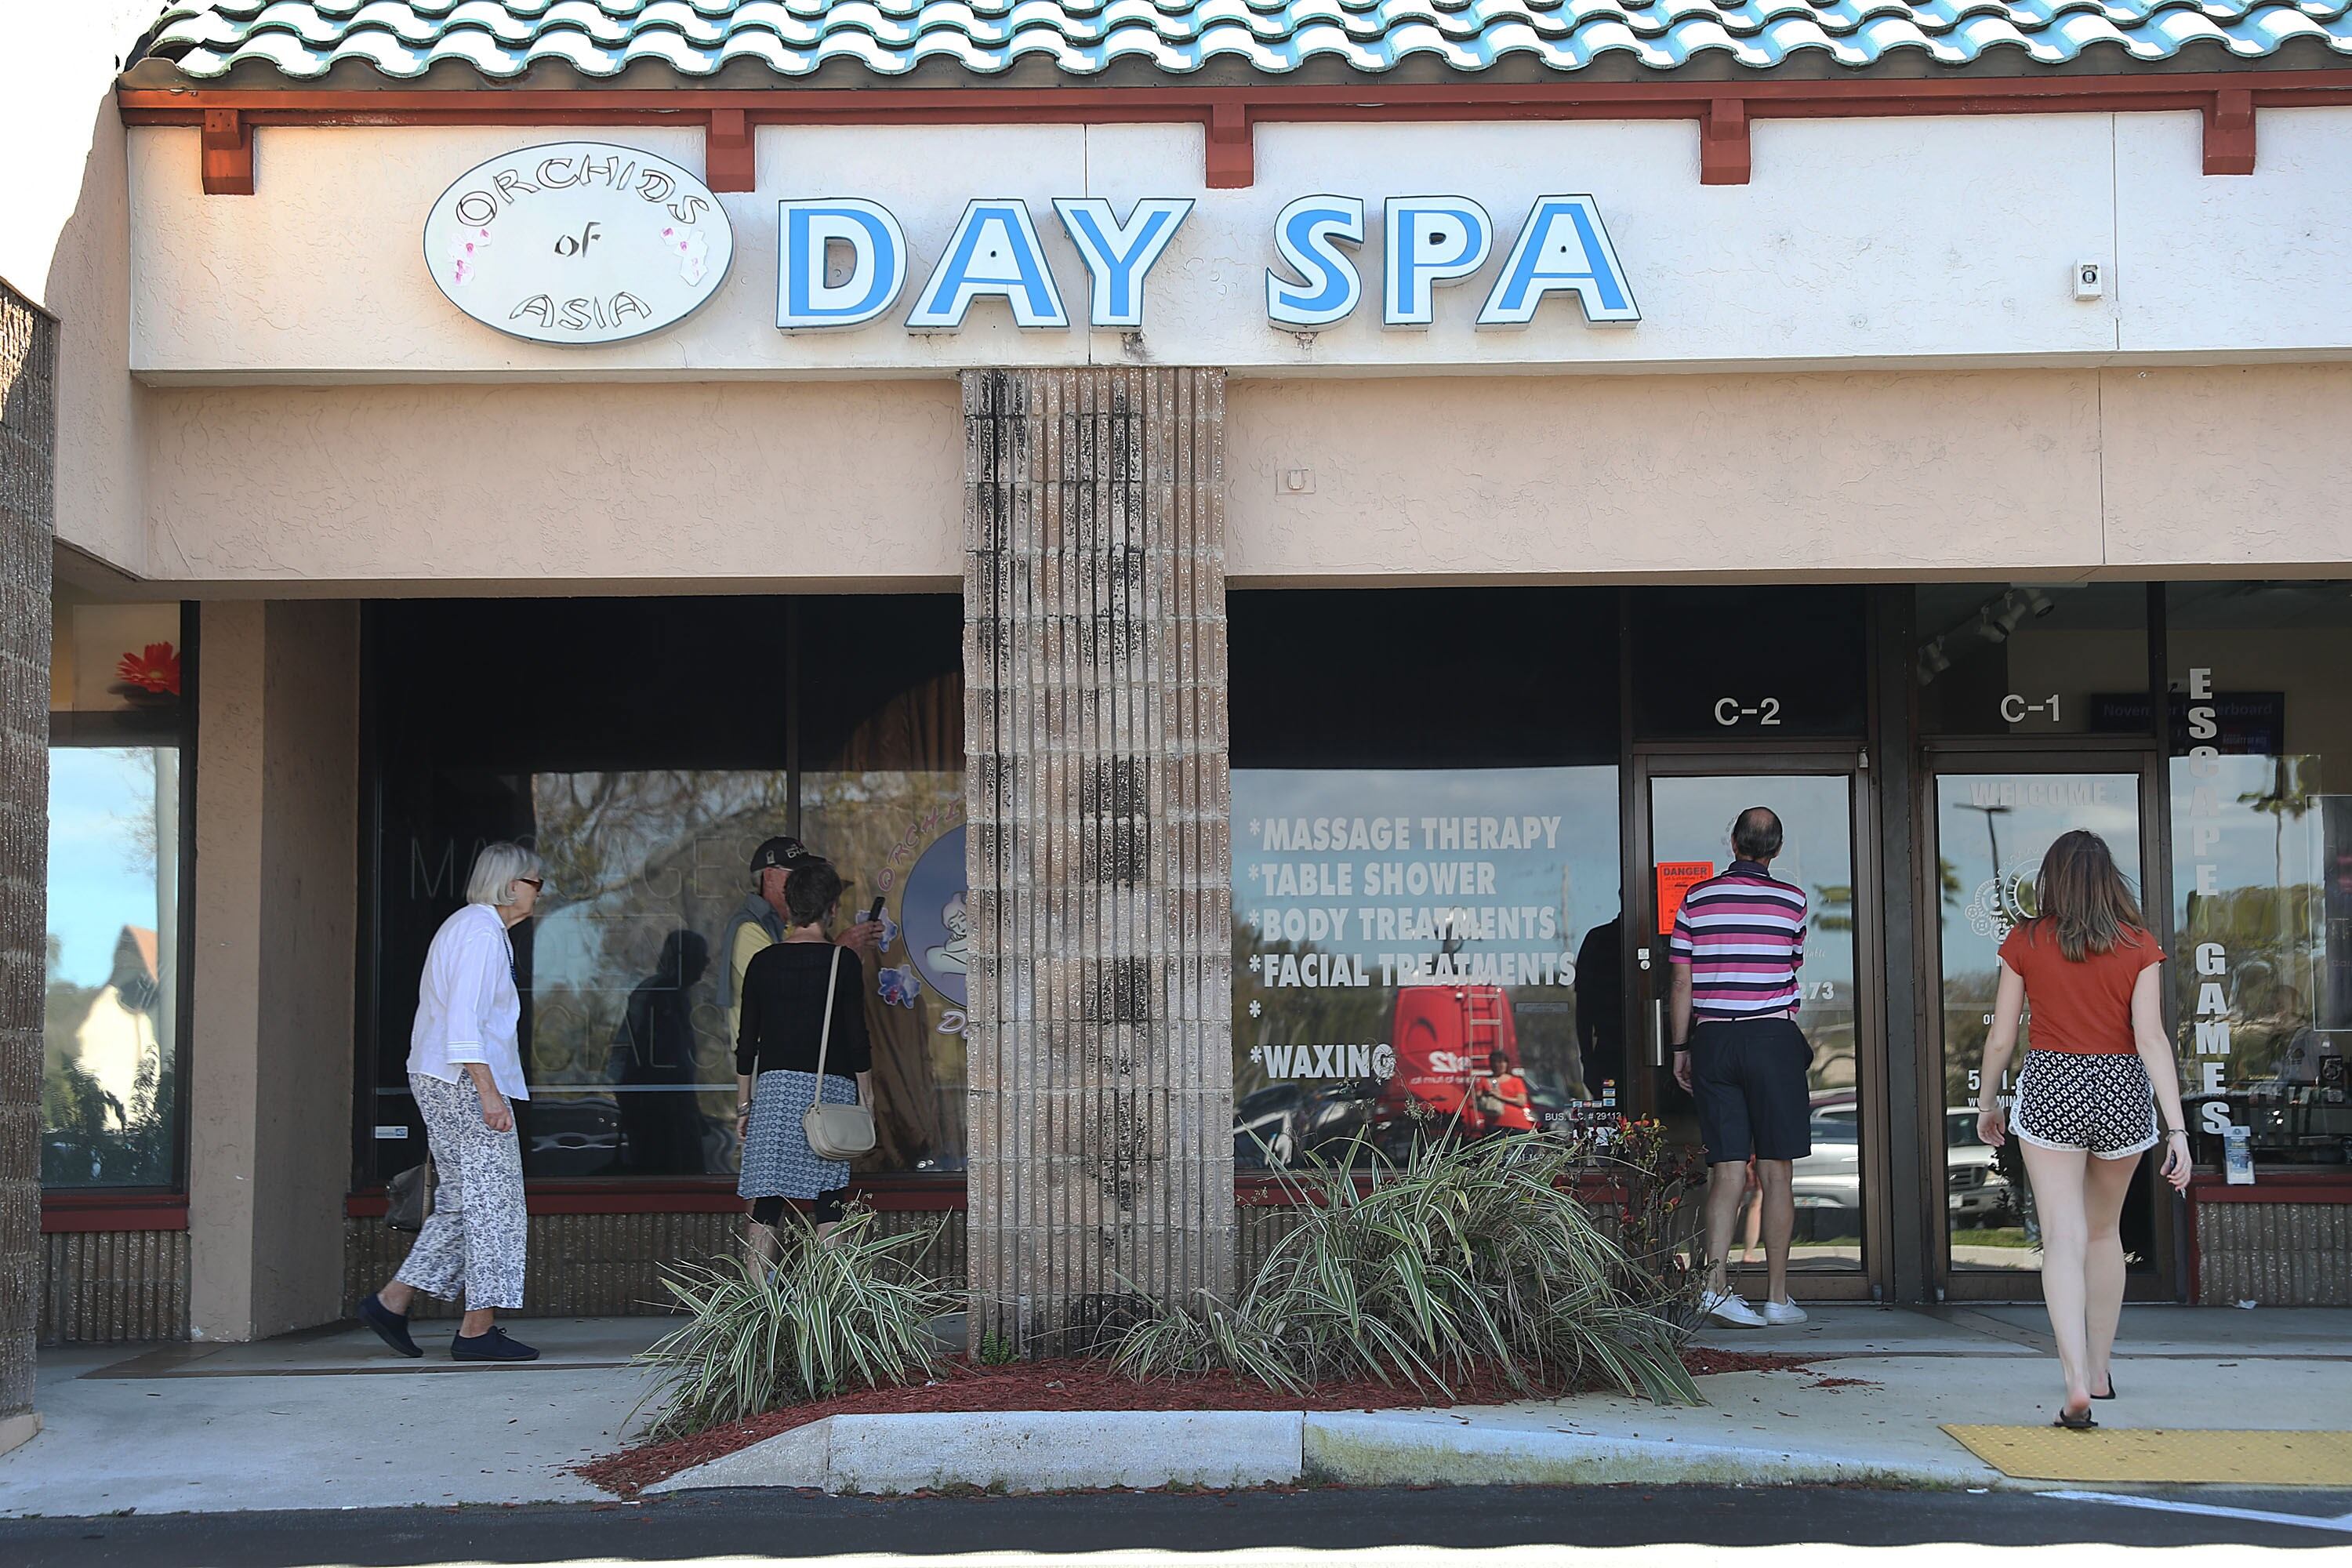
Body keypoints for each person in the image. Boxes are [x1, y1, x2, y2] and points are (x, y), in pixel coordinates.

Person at [1975, 829, 2192, 1430]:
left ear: (2053, 879)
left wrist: (1987, 1101)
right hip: (2121, 1090)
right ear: (2108, 880)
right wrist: (2177, 1129)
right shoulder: (2138, 943)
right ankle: (2099, 1372)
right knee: (2103, 1234)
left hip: (2053, 1086)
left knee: (2063, 1238)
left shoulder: (2026, 939)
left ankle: (2073, 1381)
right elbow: (2152, 1039)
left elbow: (2002, 1036)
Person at [358, 843, 546, 1362]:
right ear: (511, 885)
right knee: (495, 1204)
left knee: (465, 1201)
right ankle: (476, 1330)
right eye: (536, 883)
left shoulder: (476, 929)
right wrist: (489, 1093)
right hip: (463, 1080)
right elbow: (464, 1024)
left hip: (443, 1076)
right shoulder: (481, 933)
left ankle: (391, 1303)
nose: (539, 893)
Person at [1669, 807, 1812, 1330]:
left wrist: (1681, 1048)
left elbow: (1681, 982)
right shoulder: (1793, 901)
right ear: (1776, 848)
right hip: (1772, 1037)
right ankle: (1777, 1298)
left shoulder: (1697, 899)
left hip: (1715, 1038)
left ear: (1733, 842)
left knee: (1727, 1169)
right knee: (1777, 1171)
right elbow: (1791, 967)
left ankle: (1713, 1288)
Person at [735, 858, 873, 1257]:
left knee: (767, 1198)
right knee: (830, 1196)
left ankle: (758, 1292)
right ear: (832, 908)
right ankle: (833, 1290)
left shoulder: (763, 962)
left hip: (775, 1092)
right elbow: (857, 1040)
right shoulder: (842, 962)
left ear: (791, 907)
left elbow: (747, 1042)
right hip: (830, 1090)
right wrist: (867, 1097)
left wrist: (744, 1105)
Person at [719, 835, 883, 1051]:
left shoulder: (792, 924)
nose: (803, 880)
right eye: (796, 872)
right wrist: (840, 952)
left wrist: (854, 952)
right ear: (769, 876)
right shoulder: (748, 929)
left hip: (795, 1054)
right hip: (768, 1058)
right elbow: (789, 989)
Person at [611, 929, 710, 1175]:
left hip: (667, 1105)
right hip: (656, 1108)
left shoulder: (675, 995)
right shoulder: (660, 994)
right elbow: (650, 1056)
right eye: (701, 956)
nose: (706, 963)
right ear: (685, 959)